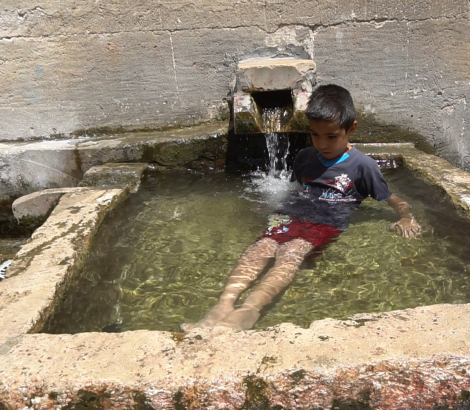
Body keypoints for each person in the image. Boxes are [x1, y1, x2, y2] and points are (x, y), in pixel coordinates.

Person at [181, 84, 422, 331]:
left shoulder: (363, 166)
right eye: (315, 135)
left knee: (292, 252)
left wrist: (406, 217)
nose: (322, 144)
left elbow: (392, 198)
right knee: (260, 248)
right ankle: (224, 305)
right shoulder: (305, 157)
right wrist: (268, 206)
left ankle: (250, 309)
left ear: (351, 129)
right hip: (294, 214)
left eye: (331, 136)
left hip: (326, 220)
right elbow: (295, 190)